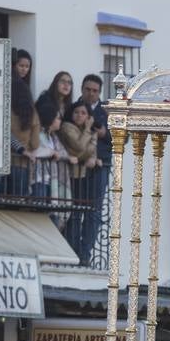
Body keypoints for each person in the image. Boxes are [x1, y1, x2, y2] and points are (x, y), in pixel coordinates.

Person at [70, 74, 113, 264]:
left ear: (99, 92)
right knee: (74, 210)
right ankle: (72, 253)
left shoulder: (108, 111)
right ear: (82, 89)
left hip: (100, 166)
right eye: (88, 89)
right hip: (76, 165)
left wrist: (105, 134)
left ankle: (84, 254)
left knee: (93, 212)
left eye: (95, 91)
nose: (91, 93)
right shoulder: (74, 108)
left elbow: (123, 137)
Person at [59, 101, 101, 264]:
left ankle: (80, 253)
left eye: (83, 113)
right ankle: (71, 251)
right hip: (68, 176)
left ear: (88, 116)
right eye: (77, 112)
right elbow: (78, 147)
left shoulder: (87, 131)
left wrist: (92, 157)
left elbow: (89, 151)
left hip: (82, 176)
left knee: (81, 214)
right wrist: (89, 133)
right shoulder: (67, 127)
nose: (79, 116)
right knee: (73, 216)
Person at [32, 98, 74, 229]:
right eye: (57, 118)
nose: (60, 121)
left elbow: (61, 153)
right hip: (39, 180)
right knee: (40, 218)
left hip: (51, 182)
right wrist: (51, 153)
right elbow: (35, 150)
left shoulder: (53, 137)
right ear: (50, 118)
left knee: (50, 219)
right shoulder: (38, 134)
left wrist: (65, 157)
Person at [8, 71, 40, 196]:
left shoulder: (6, 110)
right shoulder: (33, 114)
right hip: (22, 164)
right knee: (19, 202)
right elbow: (35, 143)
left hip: (3, 162)